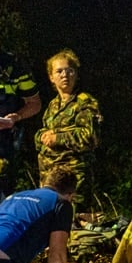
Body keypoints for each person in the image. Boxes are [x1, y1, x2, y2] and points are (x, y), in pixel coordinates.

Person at [0, 23, 41, 213]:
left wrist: (16, 117)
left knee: (0, 205)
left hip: (3, 144)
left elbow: (35, 103)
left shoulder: (15, 67)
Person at [35, 50, 100, 210]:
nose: (65, 75)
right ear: (51, 77)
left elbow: (90, 137)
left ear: (75, 74)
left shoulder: (85, 103)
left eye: (69, 71)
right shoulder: (52, 105)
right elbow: (43, 134)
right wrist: (41, 137)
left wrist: (58, 138)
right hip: (49, 178)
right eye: (59, 71)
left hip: (73, 179)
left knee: (74, 223)